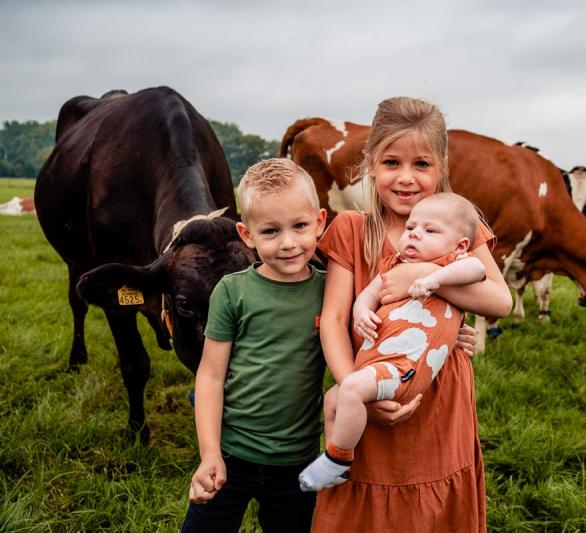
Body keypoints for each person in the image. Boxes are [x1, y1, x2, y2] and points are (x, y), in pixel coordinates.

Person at [312, 97, 512, 532]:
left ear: (441, 166)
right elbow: (332, 319)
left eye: (422, 164)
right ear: (370, 164)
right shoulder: (351, 228)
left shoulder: (459, 226)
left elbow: (501, 301)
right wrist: (354, 389)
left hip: (439, 397)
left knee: (431, 503)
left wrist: (419, 276)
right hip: (369, 387)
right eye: (391, 163)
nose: (406, 178)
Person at [298, 192, 486, 491]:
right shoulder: (393, 263)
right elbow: (369, 295)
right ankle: (338, 460)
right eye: (411, 228)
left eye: (429, 231)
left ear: (460, 244)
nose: (414, 235)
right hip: (377, 360)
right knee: (333, 399)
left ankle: (336, 460)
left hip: (406, 367)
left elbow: (477, 271)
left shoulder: (455, 263)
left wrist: (433, 278)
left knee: (351, 389)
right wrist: (361, 312)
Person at [181, 158, 328, 533]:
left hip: (298, 462)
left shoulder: (331, 290)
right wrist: (210, 453)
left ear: (320, 222)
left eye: (300, 226)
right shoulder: (232, 292)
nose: (288, 243)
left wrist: (454, 332)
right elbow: (211, 376)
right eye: (270, 231)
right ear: (247, 235)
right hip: (233, 454)